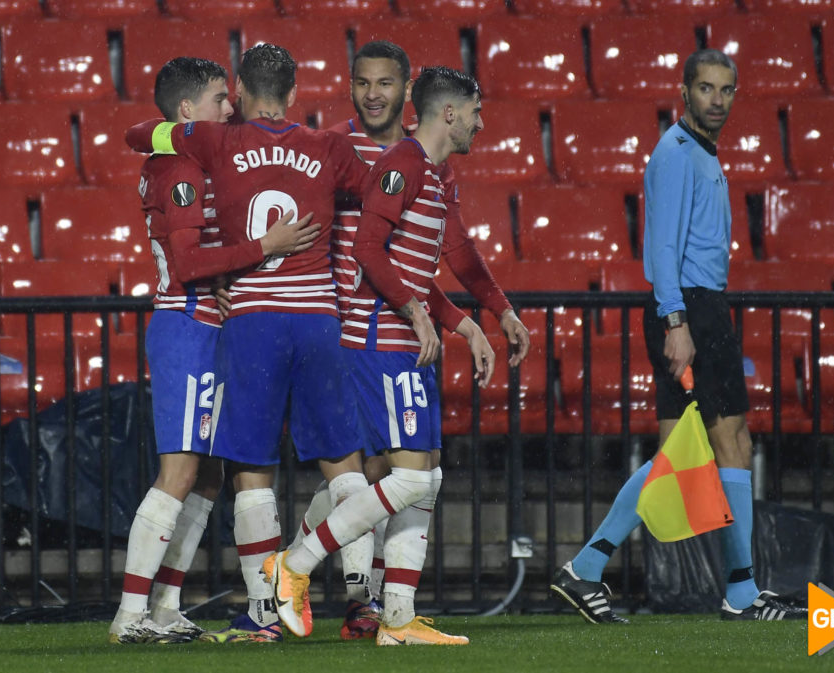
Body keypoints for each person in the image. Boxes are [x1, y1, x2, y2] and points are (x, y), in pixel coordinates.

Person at [126, 44, 490, 644]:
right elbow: (378, 198)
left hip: (252, 321)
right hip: (323, 320)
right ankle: (364, 603)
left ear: (240, 93)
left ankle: (265, 613)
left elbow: (139, 135)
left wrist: (175, 130)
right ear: (295, 94)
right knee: (345, 464)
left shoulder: (219, 142)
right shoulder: (327, 148)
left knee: (251, 471)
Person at [285, 39, 532, 641]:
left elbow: (444, 258)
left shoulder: (434, 171)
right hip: (373, 338)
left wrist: (481, 316)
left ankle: (396, 614)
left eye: (385, 83)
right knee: (403, 477)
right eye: (476, 110)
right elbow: (370, 251)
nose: (482, 121)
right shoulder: (399, 163)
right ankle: (296, 565)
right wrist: (420, 313)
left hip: (401, 338)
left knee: (420, 475)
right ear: (450, 112)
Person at [549, 49, 807, 623]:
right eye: (707, 89)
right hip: (690, 309)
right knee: (729, 443)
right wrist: (677, 323)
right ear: (684, 91)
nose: (717, 100)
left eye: (726, 90)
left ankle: (588, 567)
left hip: (698, 307)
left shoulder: (698, 153)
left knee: (681, 454)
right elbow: (661, 247)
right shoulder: (676, 154)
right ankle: (738, 590)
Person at [108, 57, 321, 645]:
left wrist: (222, 279)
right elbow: (184, 264)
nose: (229, 108)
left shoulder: (196, 156)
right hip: (186, 329)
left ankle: (168, 605)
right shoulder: (177, 165)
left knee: (204, 478)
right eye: (218, 99)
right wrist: (264, 245)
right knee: (178, 472)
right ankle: (130, 615)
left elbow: (201, 258)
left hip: (209, 325)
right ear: (186, 111)